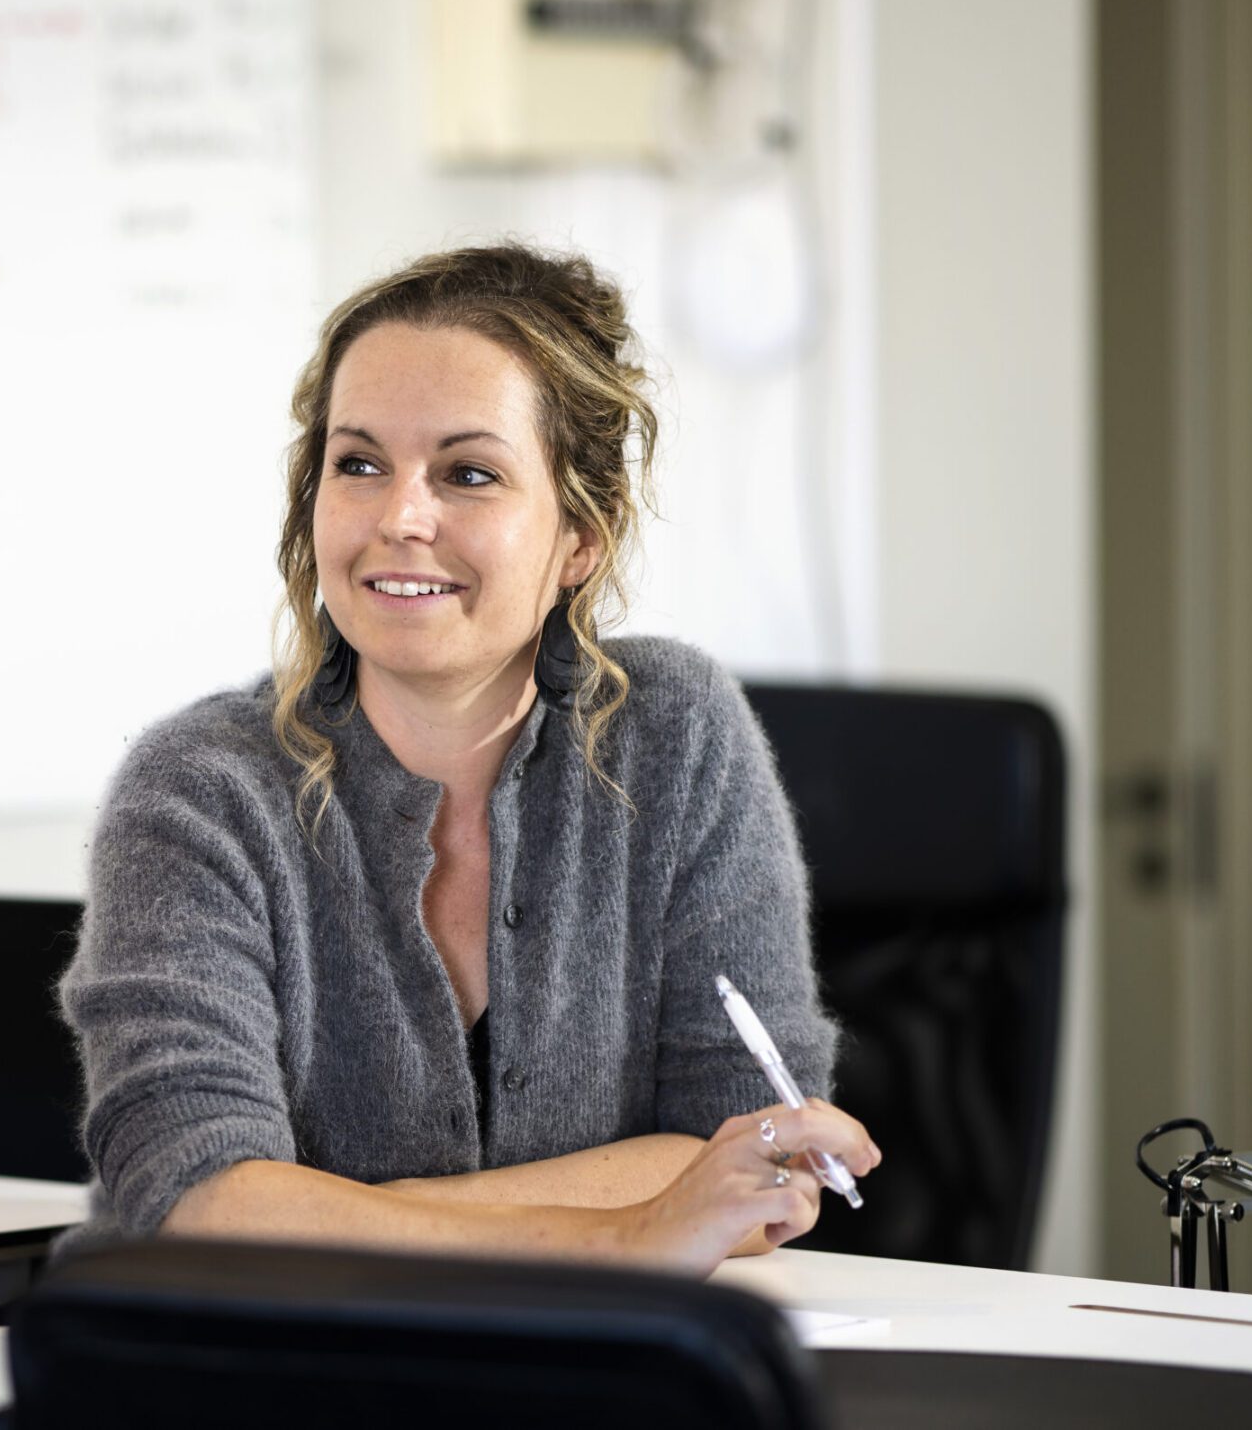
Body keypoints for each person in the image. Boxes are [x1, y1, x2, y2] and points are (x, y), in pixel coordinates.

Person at [60, 243, 878, 1272]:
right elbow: (199, 1199)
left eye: (469, 474)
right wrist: (631, 1231)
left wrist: (331, 1213)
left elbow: (756, 1146)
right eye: (358, 464)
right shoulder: (199, 790)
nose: (401, 517)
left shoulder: (675, 735)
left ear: (581, 537)